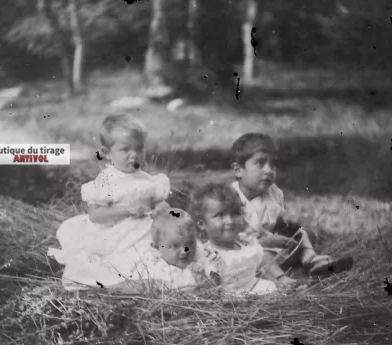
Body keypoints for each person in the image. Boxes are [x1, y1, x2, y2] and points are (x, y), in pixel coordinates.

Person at [47, 114, 171, 290]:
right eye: (125, 150)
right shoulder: (106, 181)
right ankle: (126, 283)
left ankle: (151, 279)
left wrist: (161, 208)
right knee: (125, 262)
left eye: (139, 149)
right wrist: (127, 210)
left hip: (146, 231)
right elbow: (95, 215)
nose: (133, 155)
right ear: (106, 153)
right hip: (118, 233)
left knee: (160, 253)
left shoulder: (149, 180)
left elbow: (159, 202)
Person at [230, 133, 354, 278]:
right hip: (243, 252)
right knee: (262, 255)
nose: (269, 170)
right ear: (238, 170)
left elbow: (277, 222)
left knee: (301, 233)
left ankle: (311, 260)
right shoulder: (230, 200)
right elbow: (229, 240)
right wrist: (264, 242)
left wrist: (287, 230)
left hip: (271, 245)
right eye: (260, 163)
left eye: (272, 164)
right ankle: (284, 281)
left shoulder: (273, 193)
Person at [188, 182, 289, 296]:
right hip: (230, 297)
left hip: (254, 288)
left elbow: (261, 263)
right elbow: (208, 287)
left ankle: (283, 283)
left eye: (235, 213)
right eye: (220, 215)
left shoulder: (245, 243)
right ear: (202, 223)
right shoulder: (208, 254)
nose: (230, 221)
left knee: (269, 287)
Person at [108, 207, 220, 294]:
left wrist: (202, 279)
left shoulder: (199, 261)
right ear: (157, 247)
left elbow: (215, 287)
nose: (185, 251)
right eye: (174, 246)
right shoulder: (153, 267)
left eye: (190, 243)